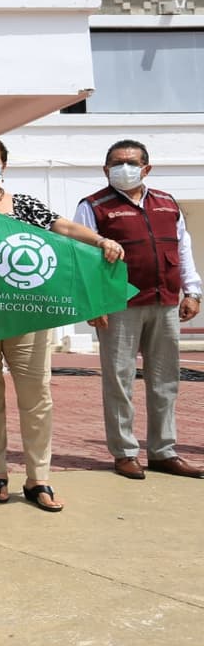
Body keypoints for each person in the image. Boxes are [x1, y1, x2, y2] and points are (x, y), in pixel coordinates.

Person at [0, 135, 124, 512]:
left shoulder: (26, 206)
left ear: (3, 165)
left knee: (36, 397)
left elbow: (63, 229)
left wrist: (100, 241)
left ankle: (39, 479)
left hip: (27, 315)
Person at [73, 139, 203, 480]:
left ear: (146, 168)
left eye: (130, 162)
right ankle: (125, 452)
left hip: (165, 302)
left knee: (165, 379)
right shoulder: (93, 206)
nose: (123, 168)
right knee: (119, 380)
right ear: (105, 170)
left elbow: (183, 248)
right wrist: (92, 303)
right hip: (118, 305)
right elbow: (80, 256)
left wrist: (193, 291)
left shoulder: (166, 203)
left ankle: (163, 451)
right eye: (116, 163)